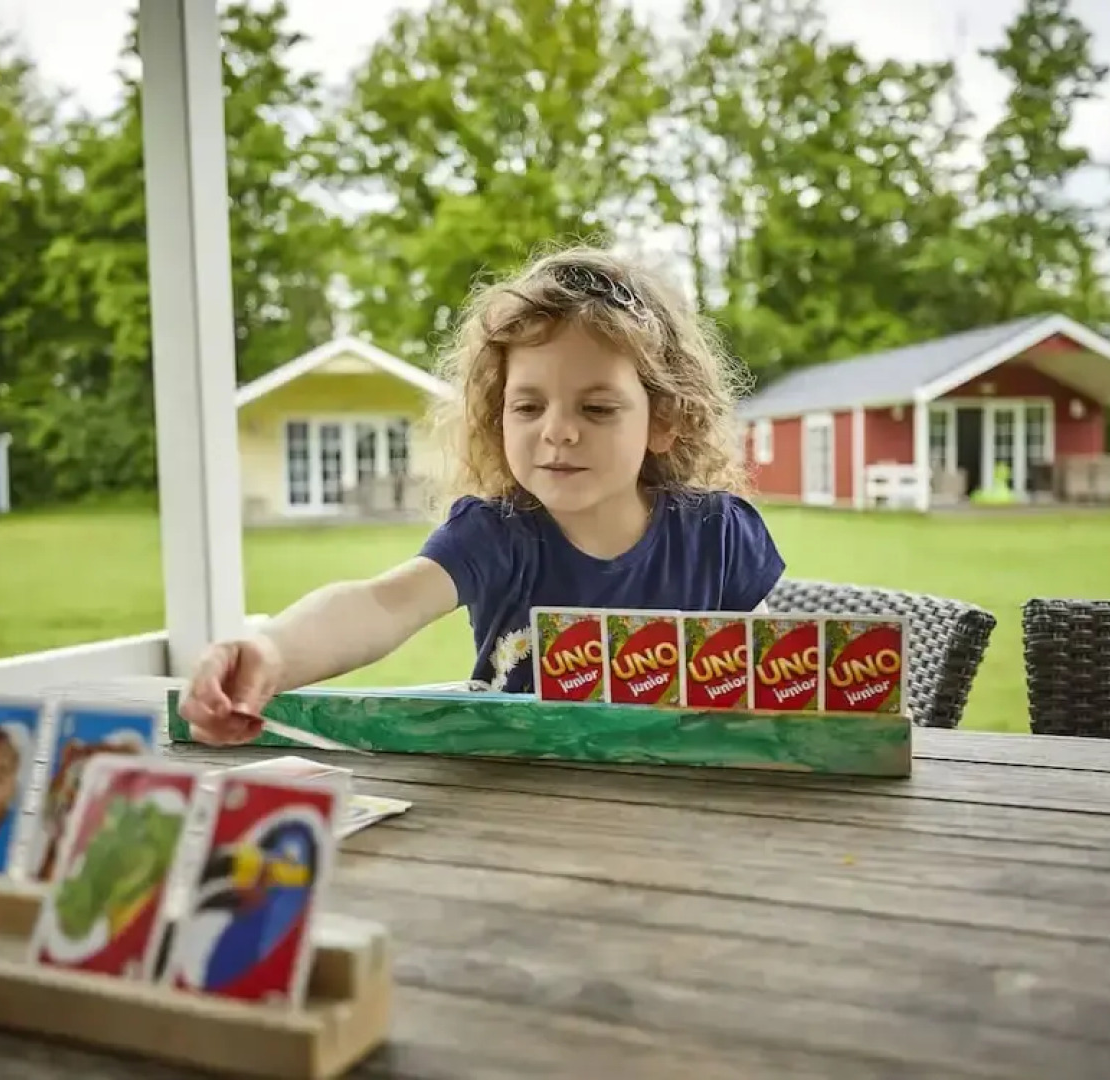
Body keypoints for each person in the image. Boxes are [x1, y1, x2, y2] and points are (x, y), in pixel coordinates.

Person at [179, 244, 787, 746]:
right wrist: (268, 652)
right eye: (527, 407)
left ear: (664, 420)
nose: (557, 431)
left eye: (597, 408)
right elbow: (381, 604)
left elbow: (777, 676)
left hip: (684, 810)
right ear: (498, 418)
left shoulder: (718, 535)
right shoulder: (495, 534)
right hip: (513, 808)